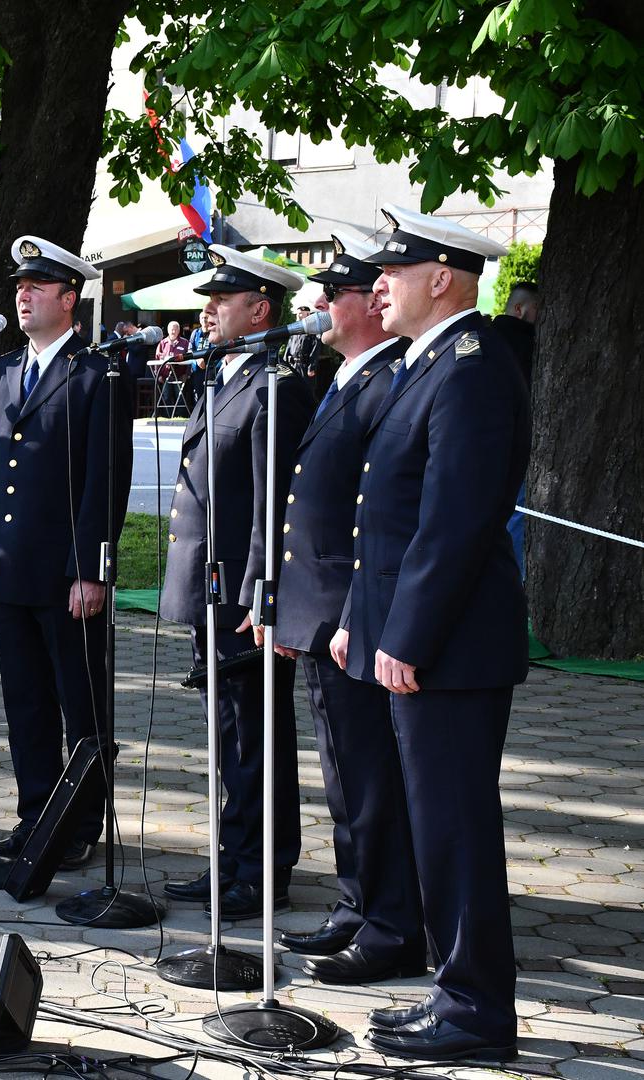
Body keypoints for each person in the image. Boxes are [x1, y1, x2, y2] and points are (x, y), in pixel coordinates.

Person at [335, 206, 526, 1063]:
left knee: (454, 829)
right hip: (415, 636)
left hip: (449, 646)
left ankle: (478, 1012)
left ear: (439, 278)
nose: (375, 286)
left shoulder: (472, 369)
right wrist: (357, 621)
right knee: (433, 827)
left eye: (391, 272)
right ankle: (454, 991)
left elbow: (453, 522)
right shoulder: (430, 365)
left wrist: (404, 636)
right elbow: (383, 516)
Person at [272, 234, 422, 985]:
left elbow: (374, 518)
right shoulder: (345, 377)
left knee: (369, 774)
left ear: (368, 303)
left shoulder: (390, 381)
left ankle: (392, 921)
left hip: (352, 613)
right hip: (322, 612)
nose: (319, 307)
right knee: (341, 770)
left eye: (333, 294)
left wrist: (346, 614)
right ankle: (359, 902)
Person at [159, 245, 313, 920]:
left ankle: (262, 871)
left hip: (241, 598)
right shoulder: (224, 378)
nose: (208, 310)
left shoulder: (275, 386)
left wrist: (259, 592)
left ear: (260, 309)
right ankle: (231, 859)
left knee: (254, 737)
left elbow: (271, 505)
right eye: (209, 299)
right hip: (207, 591)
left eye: (222, 300)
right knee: (227, 737)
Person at [0, 236, 133, 869]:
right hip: (12, 569)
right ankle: (35, 816)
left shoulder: (97, 374)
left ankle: (78, 826)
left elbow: (106, 481)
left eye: (37, 287)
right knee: (25, 703)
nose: (23, 295)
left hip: (67, 575)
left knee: (80, 705)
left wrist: (91, 571)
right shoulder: (0, 372)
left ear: (69, 298)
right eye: (19, 287)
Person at [493, 280, 538, 577]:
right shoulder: (525, 343)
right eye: (539, 310)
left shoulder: (486, 339)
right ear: (520, 310)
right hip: (515, 447)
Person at [153, 319, 191, 415]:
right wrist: (159, 374)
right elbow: (157, 359)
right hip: (166, 376)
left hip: (180, 375)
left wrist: (187, 374)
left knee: (180, 396)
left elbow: (190, 359)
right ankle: (168, 416)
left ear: (179, 330)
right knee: (166, 396)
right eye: (171, 329)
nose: (173, 331)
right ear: (168, 330)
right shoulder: (162, 343)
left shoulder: (185, 342)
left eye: (175, 329)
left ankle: (180, 415)